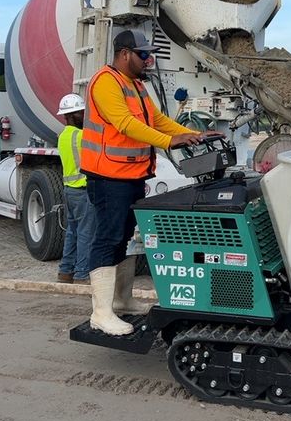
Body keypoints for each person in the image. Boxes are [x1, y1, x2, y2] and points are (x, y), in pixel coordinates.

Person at [81, 29, 209, 337]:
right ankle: (100, 312)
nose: (148, 59)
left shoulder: (136, 85)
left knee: (124, 237)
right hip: (109, 176)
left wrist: (191, 134)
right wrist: (168, 141)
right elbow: (125, 124)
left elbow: (157, 119)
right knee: (108, 238)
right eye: (142, 54)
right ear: (124, 53)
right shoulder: (105, 82)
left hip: (132, 175)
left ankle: (122, 300)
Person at [56, 93, 96, 284]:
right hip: (82, 190)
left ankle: (65, 272)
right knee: (86, 234)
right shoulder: (80, 136)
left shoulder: (64, 135)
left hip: (70, 191)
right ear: (71, 115)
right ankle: (82, 275)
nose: (84, 116)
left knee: (72, 232)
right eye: (81, 113)